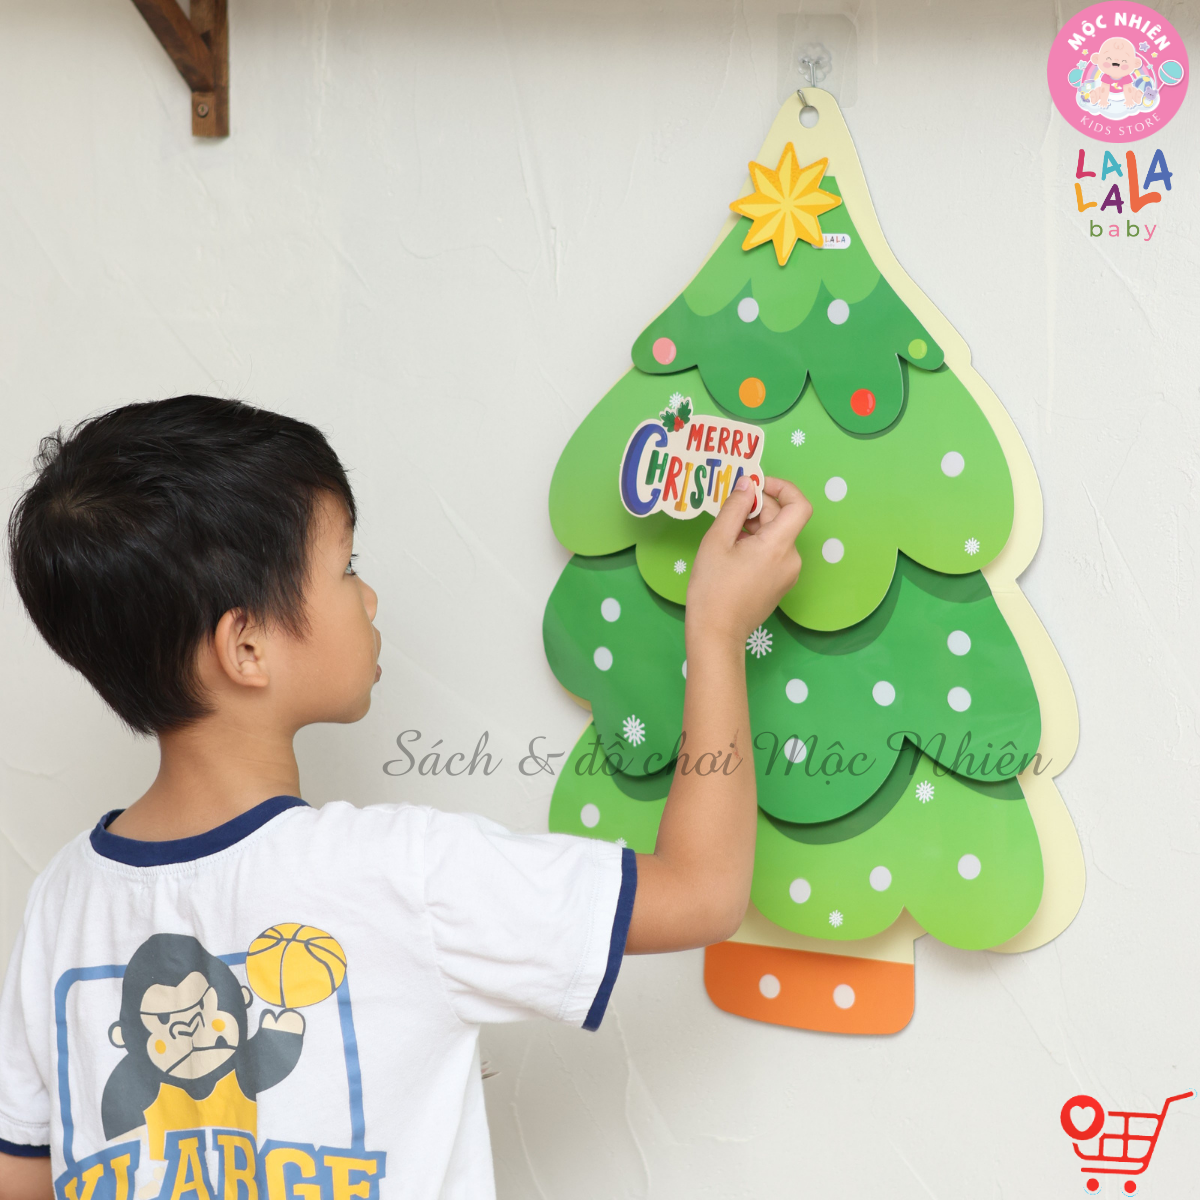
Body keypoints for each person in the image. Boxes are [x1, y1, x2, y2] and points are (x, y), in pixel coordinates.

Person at [0, 396, 810, 1200]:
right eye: (346, 567)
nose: (369, 597)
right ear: (246, 646)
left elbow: (22, 1177)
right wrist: (717, 632)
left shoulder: (61, 904)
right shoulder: (404, 875)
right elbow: (702, 893)